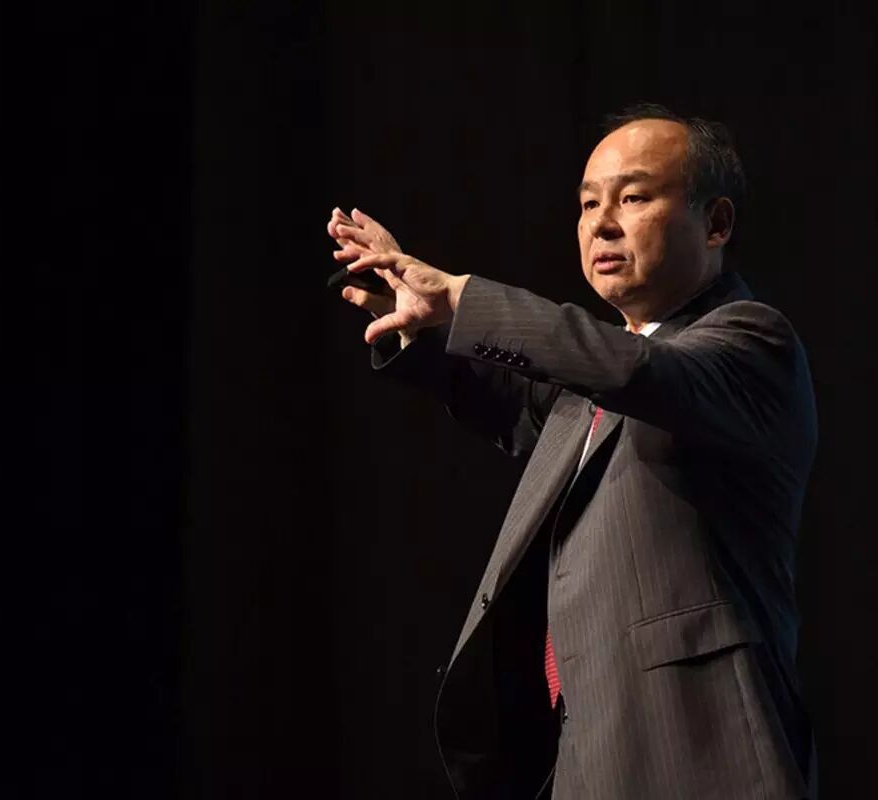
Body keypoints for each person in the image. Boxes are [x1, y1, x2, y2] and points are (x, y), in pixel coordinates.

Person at [327, 104, 818, 799]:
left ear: (715, 223)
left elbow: (633, 370)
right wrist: (415, 319)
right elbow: (517, 393)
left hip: (696, 749)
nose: (601, 223)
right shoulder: (590, 383)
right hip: (581, 752)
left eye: (633, 197)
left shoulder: (751, 344)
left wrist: (462, 296)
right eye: (588, 204)